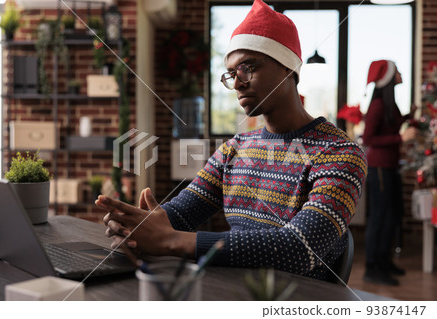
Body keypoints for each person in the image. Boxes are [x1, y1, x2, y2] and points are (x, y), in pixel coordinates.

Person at [96, 0, 367, 282]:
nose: (237, 83)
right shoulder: (233, 150)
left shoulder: (340, 153)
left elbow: (300, 249)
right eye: (231, 74)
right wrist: (137, 228)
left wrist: (170, 241)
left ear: (288, 68)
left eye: (248, 68)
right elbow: (181, 213)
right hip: (230, 291)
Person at [362, 59, 418, 286]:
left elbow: (390, 125)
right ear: (388, 77)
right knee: (380, 217)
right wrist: (400, 138)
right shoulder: (377, 105)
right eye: (398, 71)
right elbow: (368, 139)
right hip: (380, 169)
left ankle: (384, 262)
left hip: (390, 167)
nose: (401, 74)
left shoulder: (388, 103)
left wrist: (408, 117)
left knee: (393, 215)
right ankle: (372, 267)